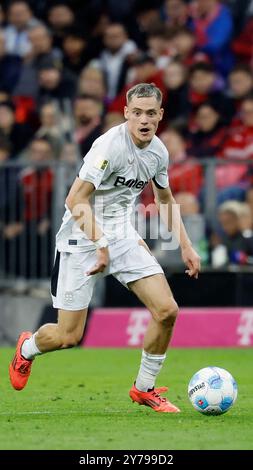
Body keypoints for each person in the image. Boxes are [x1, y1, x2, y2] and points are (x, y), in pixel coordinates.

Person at [9, 83, 201, 413]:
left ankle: (144, 388)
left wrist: (186, 246)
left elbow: (164, 199)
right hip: (81, 240)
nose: (144, 119)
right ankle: (28, 347)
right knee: (68, 336)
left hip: (121, 236)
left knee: (167, 310)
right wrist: (100, 244)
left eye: (150, 113)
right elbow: (75, 199)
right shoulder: (109, 147)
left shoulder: (158, 152)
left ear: (160, 116)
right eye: (137, 112)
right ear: (126, 113)